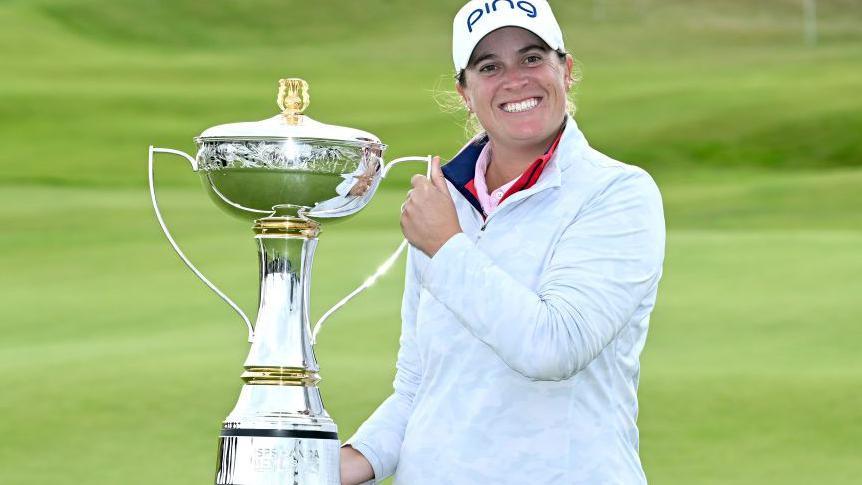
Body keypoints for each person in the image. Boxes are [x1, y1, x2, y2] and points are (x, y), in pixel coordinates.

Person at [340, 1, 665, 483]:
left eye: (532, 58)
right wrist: (329, 468)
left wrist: (446, 245)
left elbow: (554, 346)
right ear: (465, 93)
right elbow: (420, 389)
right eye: (489, 66)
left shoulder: (617, 192)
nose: (515, 80)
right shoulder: (445, 199)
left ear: (566, 70)